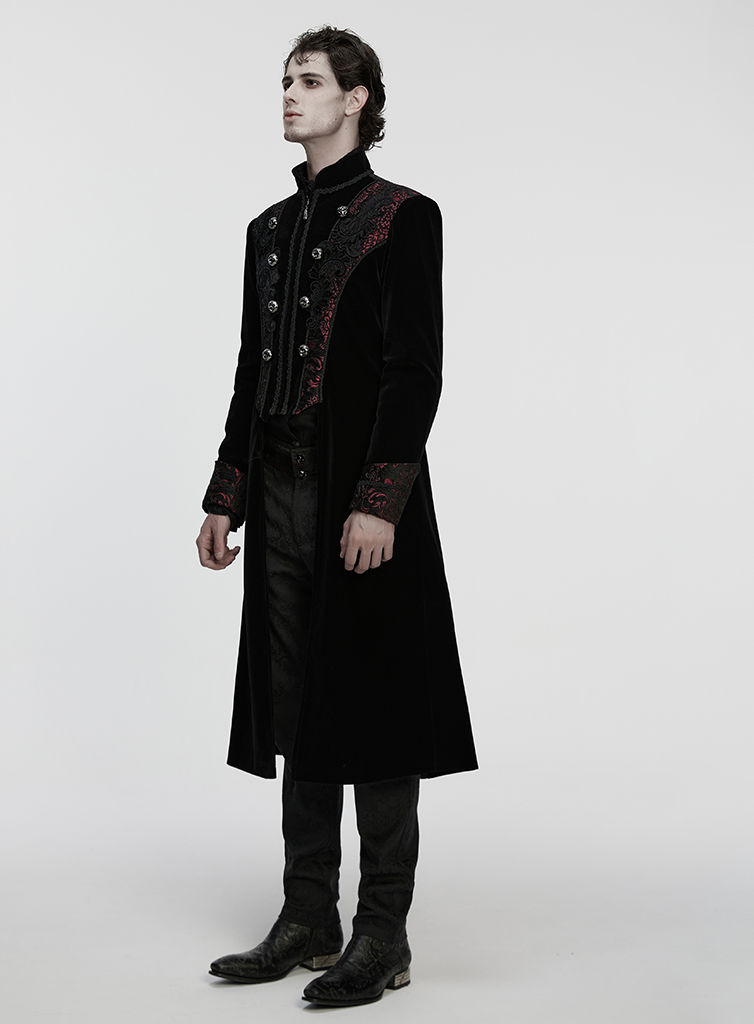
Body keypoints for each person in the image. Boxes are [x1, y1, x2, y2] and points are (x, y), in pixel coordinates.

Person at [196, 25, 477, 1008]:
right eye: (286, 79)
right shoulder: (267, 231)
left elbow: (414, 369)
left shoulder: (404, 217)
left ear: (356, 99)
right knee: (297, 701)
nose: (290, 93)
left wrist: (378, 500)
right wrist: (225, 492)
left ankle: (382, 932)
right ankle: (307, 915)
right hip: (276, 494)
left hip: (356, 497)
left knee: (377, 706)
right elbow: (252, 369)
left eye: (310, 80)